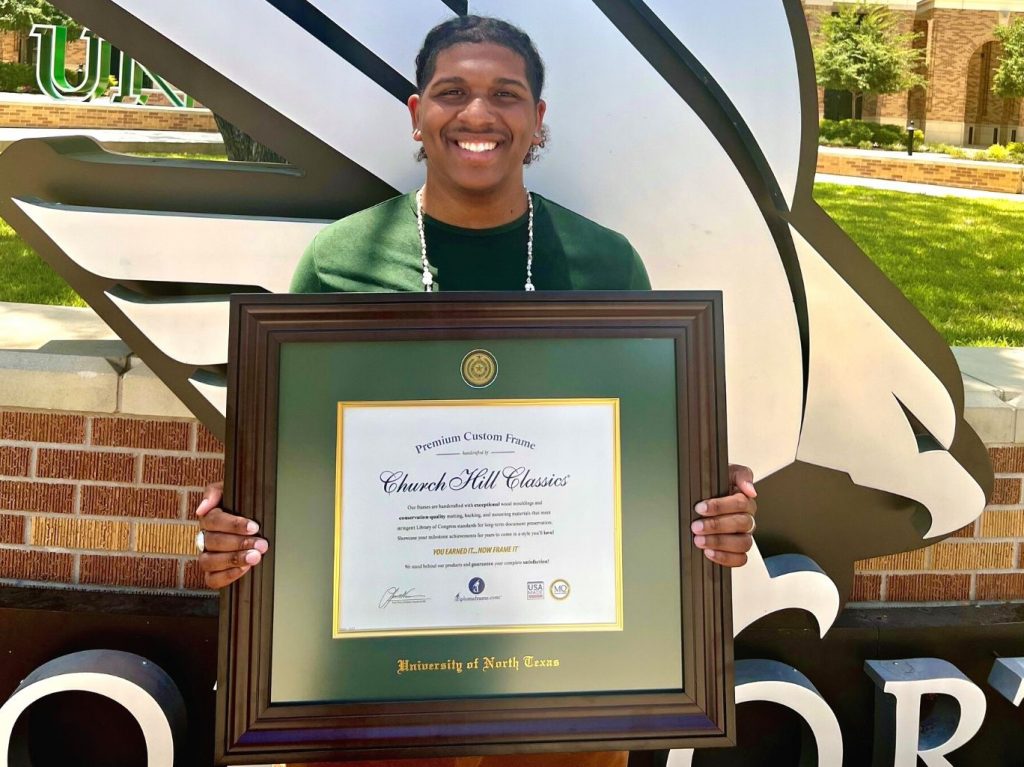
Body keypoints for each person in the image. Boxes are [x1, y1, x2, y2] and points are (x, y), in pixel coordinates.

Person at [196, 15, 756, 766]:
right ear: (417, 114)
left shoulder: (604, 266)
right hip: (372, 699)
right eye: (451, 91)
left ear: (538, 120)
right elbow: (298, 462)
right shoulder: (339, 262)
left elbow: (643, 464)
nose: (478, 114)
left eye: (507, 95)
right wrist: (240, 526)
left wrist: (707, 509)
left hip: (562, 699)